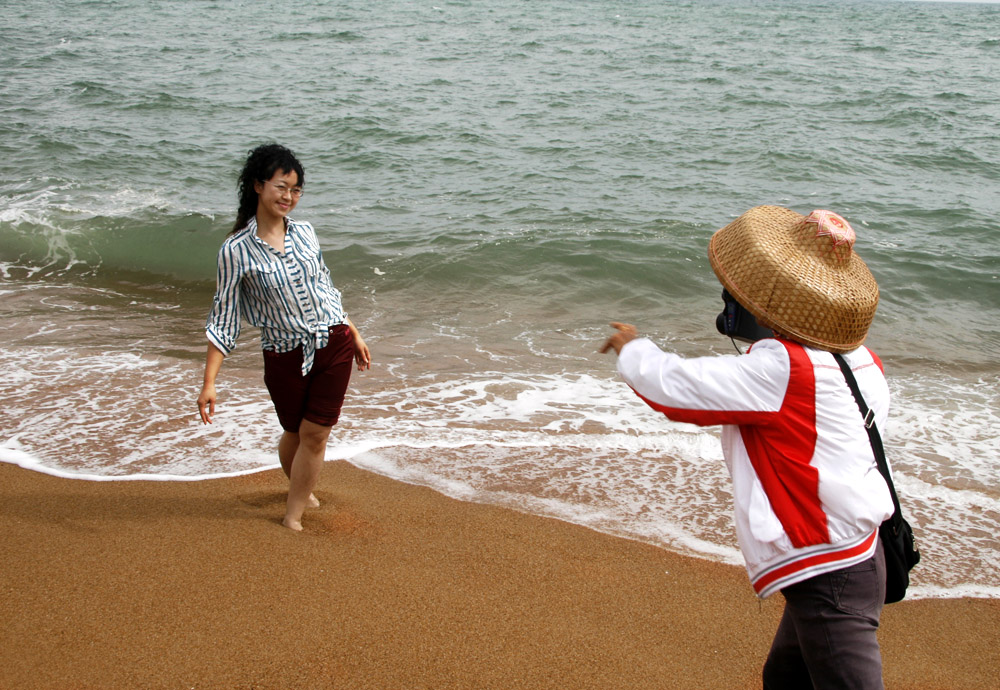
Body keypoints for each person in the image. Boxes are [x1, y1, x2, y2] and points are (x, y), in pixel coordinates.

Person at [601, 206, 894, 689]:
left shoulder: (783, 370)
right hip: (860, 549)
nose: (727, 297)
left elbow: (674, 389)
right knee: (785, 676)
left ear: (770, 307)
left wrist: (631, 347)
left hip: (830, 568)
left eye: (737, 292)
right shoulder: (859, 360)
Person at [197, 144, 371, 532]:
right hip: (283, 355)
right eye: (281, 187)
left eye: (295, 190)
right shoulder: (235, 251)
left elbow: (325, 288)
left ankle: (293, 515)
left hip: (334, 341)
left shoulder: (306, 233)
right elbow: (224, 318)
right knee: (294, 432)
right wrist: (209, 383)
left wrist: (354, 332)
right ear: (258, 186)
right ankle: (300, 485)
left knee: (315, 433)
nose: (288, 197)